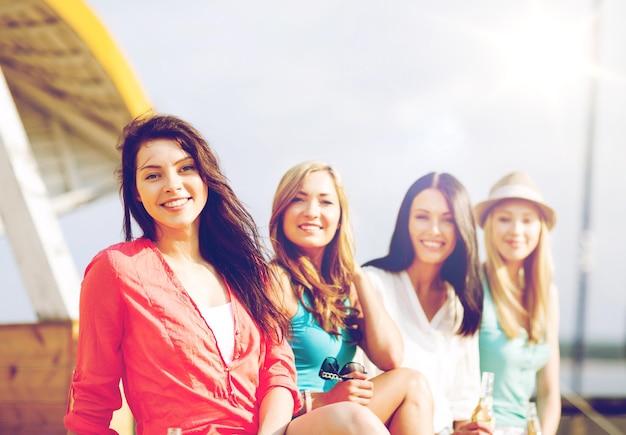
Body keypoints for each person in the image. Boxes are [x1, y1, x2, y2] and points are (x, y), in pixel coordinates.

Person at [64, 114, 391, 435]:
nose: (173, 185)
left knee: (355, 419)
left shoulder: (249, 271)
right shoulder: (117, 269)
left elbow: (277, 370)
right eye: (153, 176)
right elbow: (91, 400)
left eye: (186, 168)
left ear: (206, 176)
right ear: (136, 191)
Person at [269, 161, 434, 435]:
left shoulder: (345, 288)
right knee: (353, 417)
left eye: (325, 202)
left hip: (341, 418)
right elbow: (251, 380)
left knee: (412, 383)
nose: (312, 212)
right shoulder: (274, 280)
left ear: (339, 219)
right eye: (298, 200)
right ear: (282, 211)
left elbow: (391, 358)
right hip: (292, 422)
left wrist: (357, 276)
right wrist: (320, 400)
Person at [362, 172, 492, 435]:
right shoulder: (372, 283)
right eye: (422, 216)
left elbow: (463, 405)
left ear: (462, 227)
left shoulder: (461, 304)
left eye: (448, 220)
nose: (434, 230)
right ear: (406, 222)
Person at [474, 171, 561, 435]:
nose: (516, 231)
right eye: (504, 219)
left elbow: (548, 391)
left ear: (540, 229)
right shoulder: (472, 284)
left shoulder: (548, 294)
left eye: (527, 220)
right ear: (489, 225)